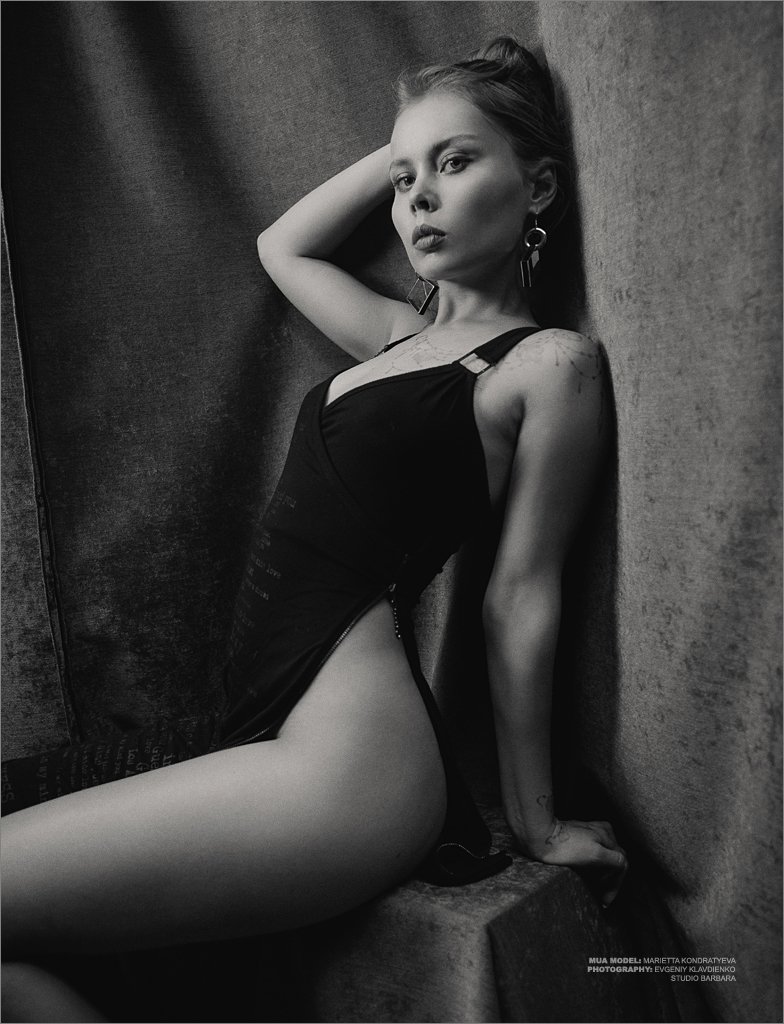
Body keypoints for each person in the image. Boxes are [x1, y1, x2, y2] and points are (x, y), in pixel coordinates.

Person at [2, 36, 627, 1022]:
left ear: (538, 187)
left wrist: (539, 825)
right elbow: (281, 247)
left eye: (457, 164)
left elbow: (520, 597)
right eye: (405, 180)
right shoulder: (398, 336)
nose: (418, 199)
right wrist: (414, 141)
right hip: (279, 727)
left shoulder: (544, 364)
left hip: (354, 764)